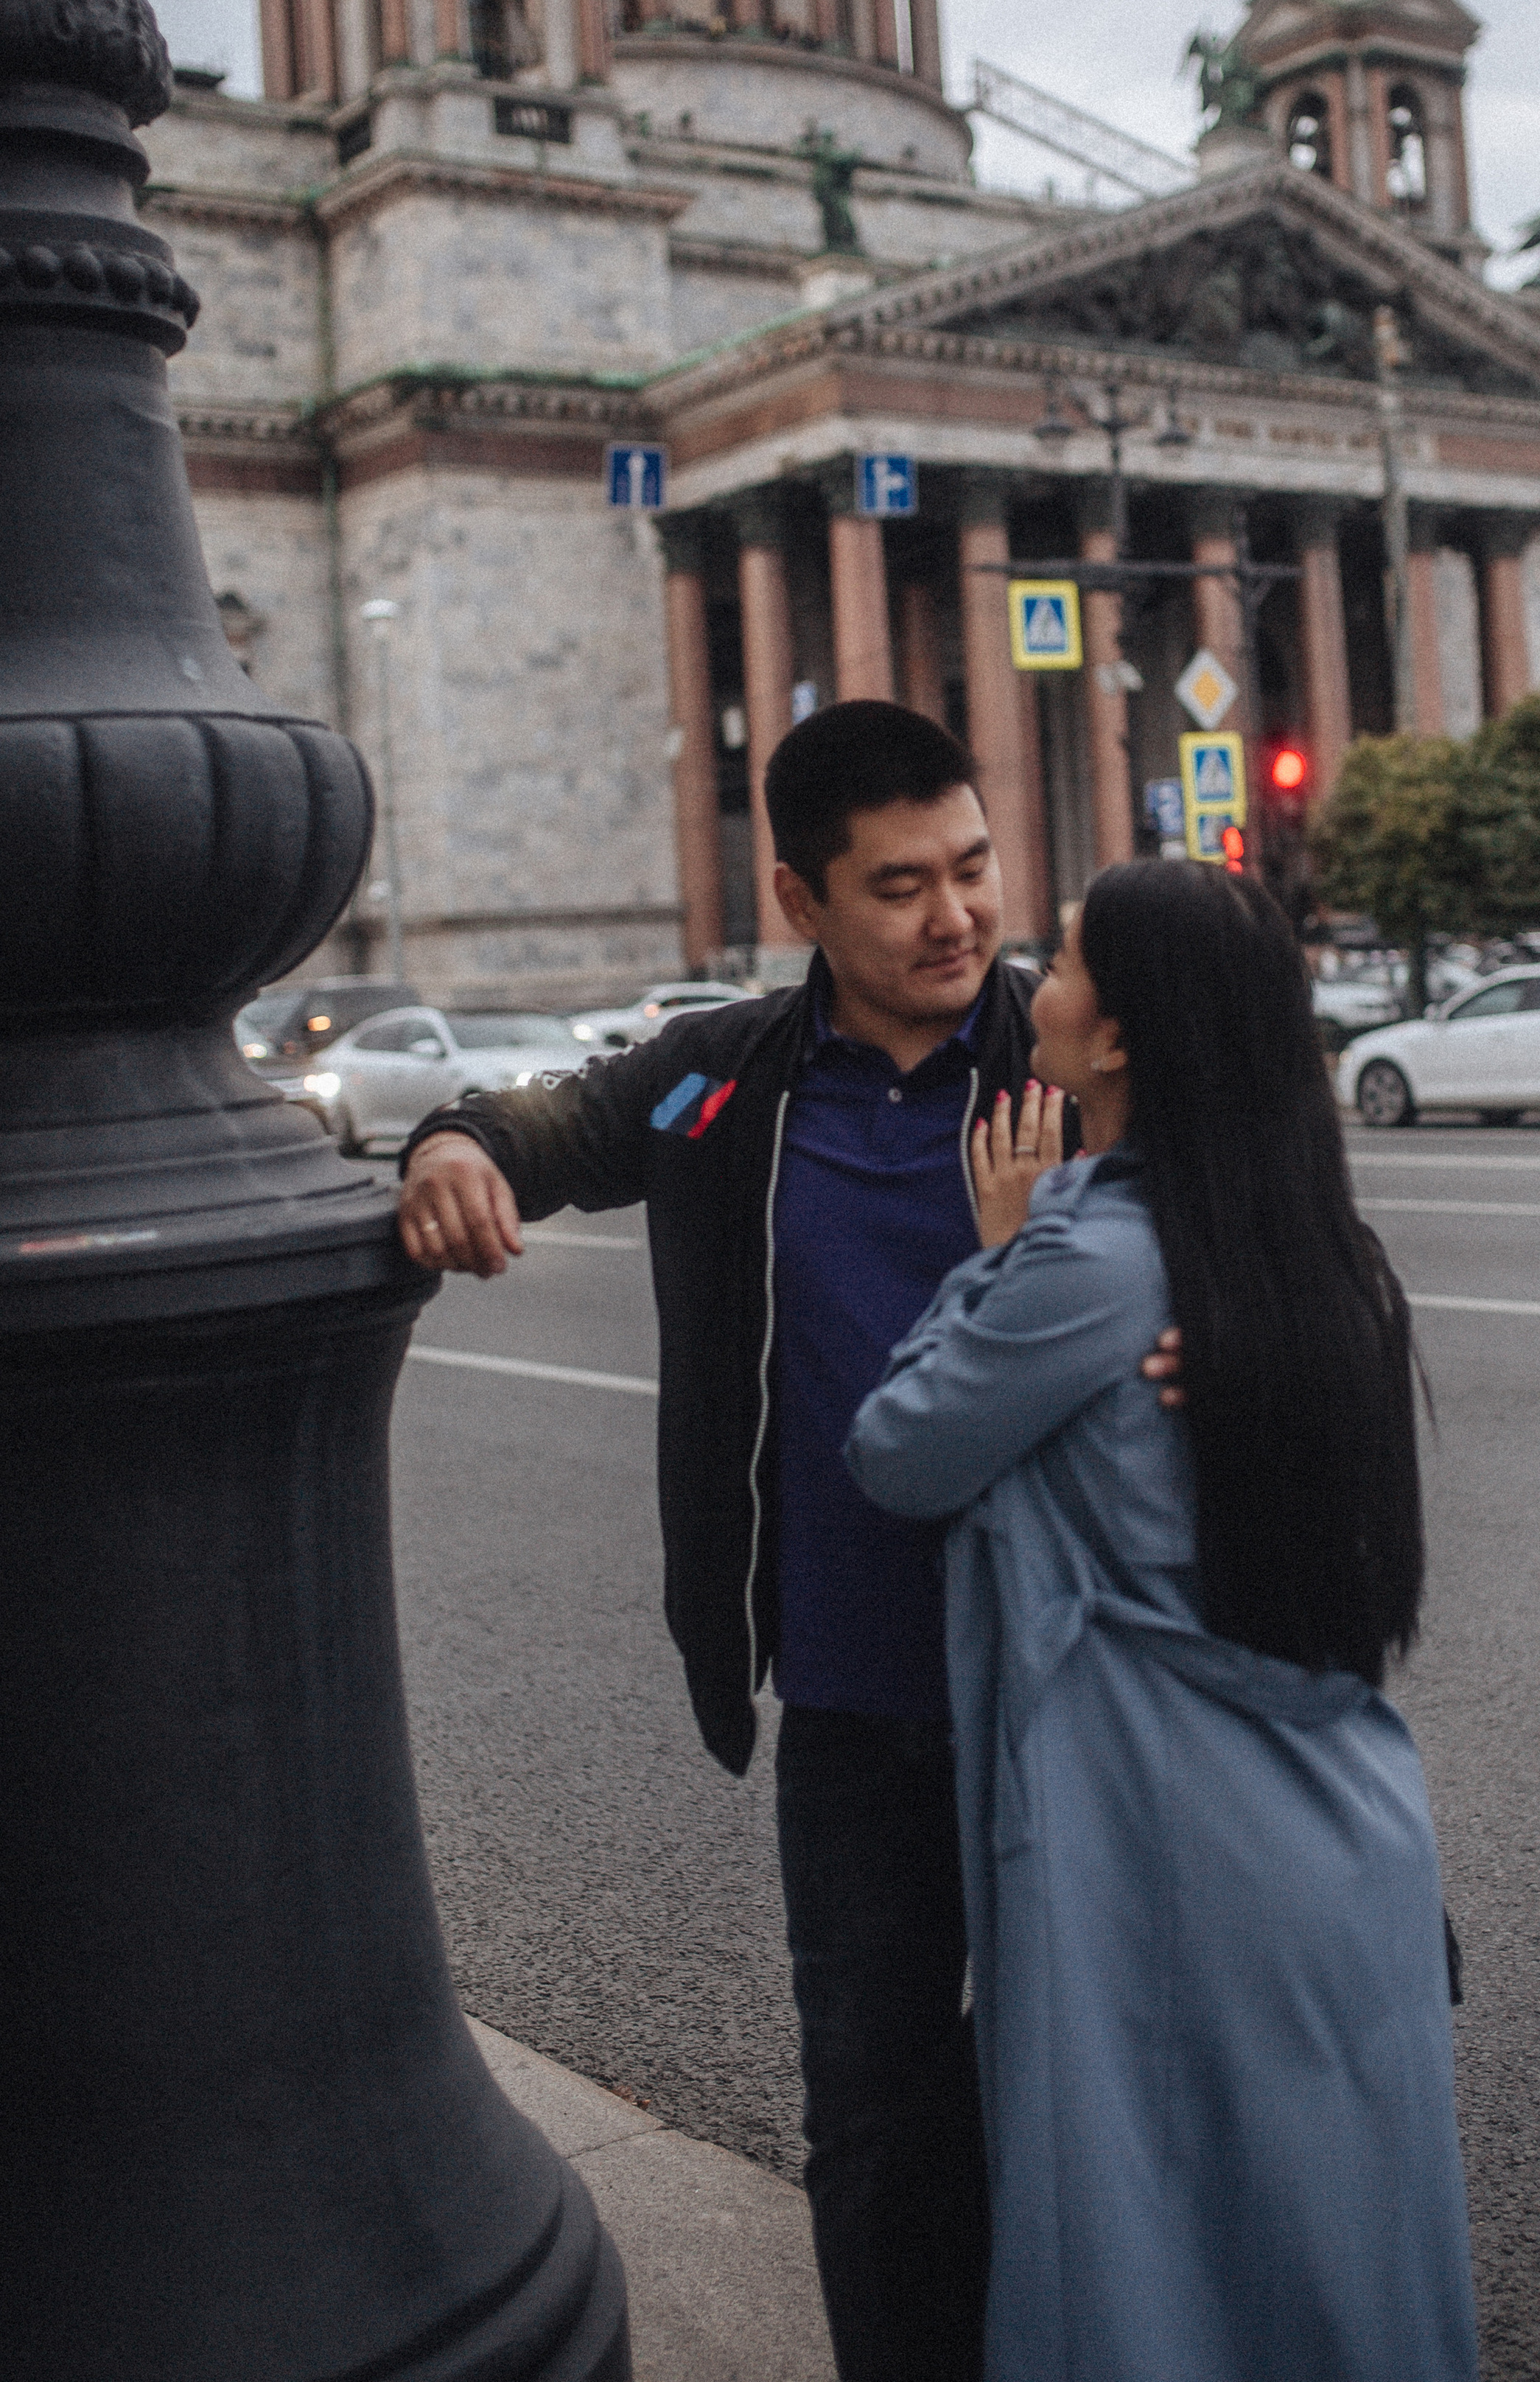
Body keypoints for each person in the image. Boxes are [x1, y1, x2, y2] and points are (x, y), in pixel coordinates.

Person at [394, 702, 1073, 2382]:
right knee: (875, 2113)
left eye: (974, 868)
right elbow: (540, 1121)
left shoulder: (1068, 1056)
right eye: (901, 885)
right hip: (853, 1702)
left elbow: (1248, 1230)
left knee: (1085, 2094)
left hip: (1074, 1685)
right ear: (799, 902)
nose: (957, 918)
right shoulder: (723, 1077)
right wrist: (452, 1144)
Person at [846, 860, 1479, 2382]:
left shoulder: (1084, 1257)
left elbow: (896, 1450)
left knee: (1155, 2258)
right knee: (1329, 2268)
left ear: (1118, 1038)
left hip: (1166, 1849)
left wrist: (993, 1253)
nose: (1026, 981)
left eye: (1055, 962)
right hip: (1340, 1833)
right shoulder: (1302, 1250)